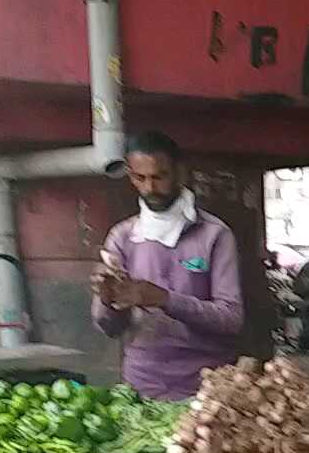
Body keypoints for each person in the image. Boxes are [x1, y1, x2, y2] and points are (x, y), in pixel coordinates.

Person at [90, 130, 243, 401]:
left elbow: (231, 319)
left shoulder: (214, 235)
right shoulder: (123, 237)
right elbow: (110, 329)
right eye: (140, 178)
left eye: (160, 177)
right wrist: (106, 299)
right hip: (142, 384)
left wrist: (164, 299)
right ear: (130, 175)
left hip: (206, 388)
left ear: (179, 173)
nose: (150, 188)